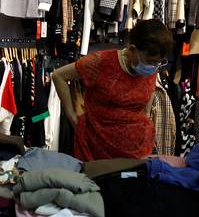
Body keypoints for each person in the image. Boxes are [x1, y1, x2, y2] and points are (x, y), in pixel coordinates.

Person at [52, 19, 174, 161]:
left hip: (137, 150)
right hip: (97, 149)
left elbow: (149, 93)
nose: (154, 67)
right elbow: (58, 76)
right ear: (133, 50)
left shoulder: (150, 67)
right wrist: (72, 116)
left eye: (159, 62)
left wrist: (145, 117)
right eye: (151, 61)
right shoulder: (100, 62)